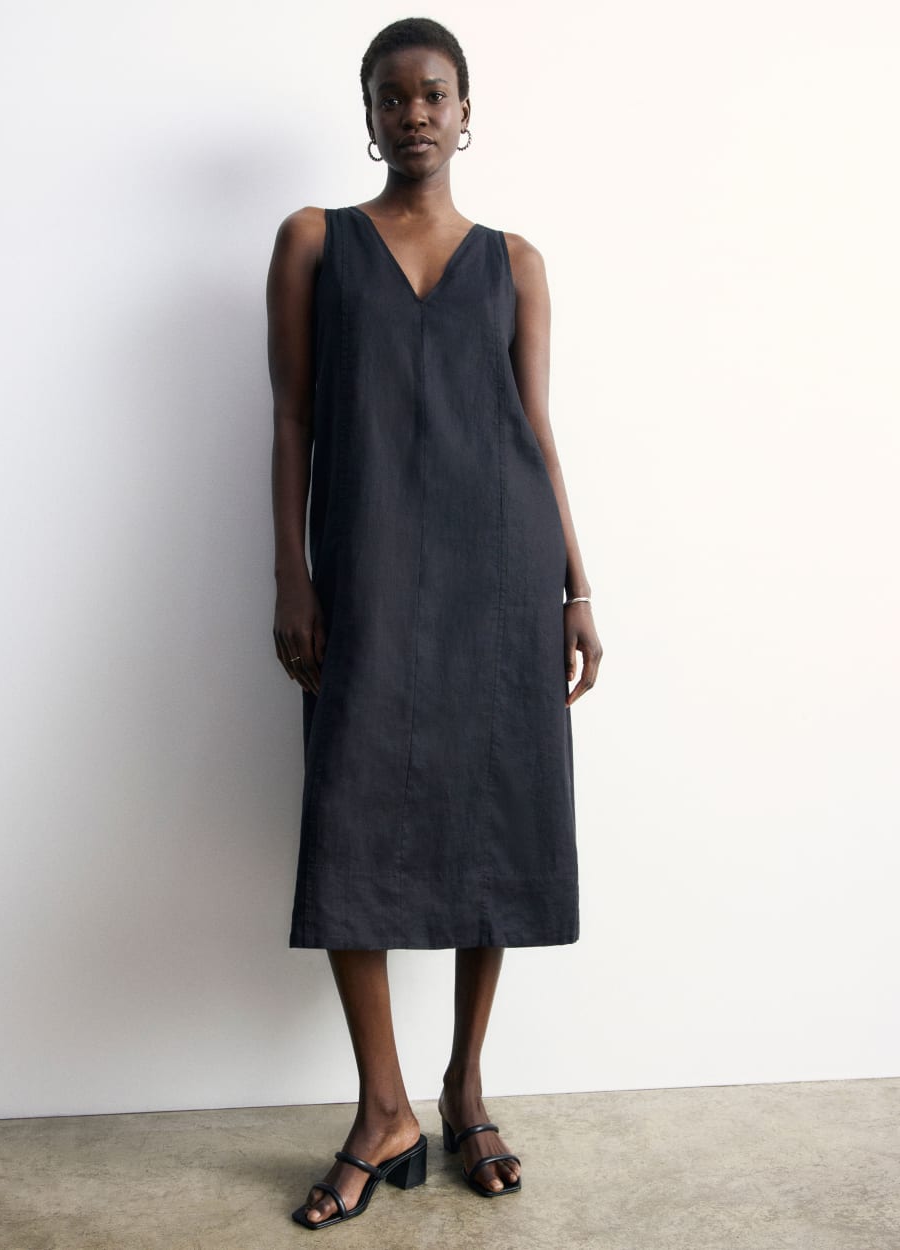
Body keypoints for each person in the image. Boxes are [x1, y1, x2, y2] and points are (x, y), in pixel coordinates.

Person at [267, 16, 603, 1230]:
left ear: (466, 113)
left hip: (498, 572)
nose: (414, 112)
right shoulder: (313, 240)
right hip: (364, 570)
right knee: (350, 816)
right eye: (392, 95)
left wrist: (575, 586)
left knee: (490, 817)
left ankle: (465, 1087)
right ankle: (383, 1106)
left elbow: (535, 429)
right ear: (368, 115)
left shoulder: (516, 261)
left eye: (434, 94)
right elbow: (292, 419)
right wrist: (292, 574)